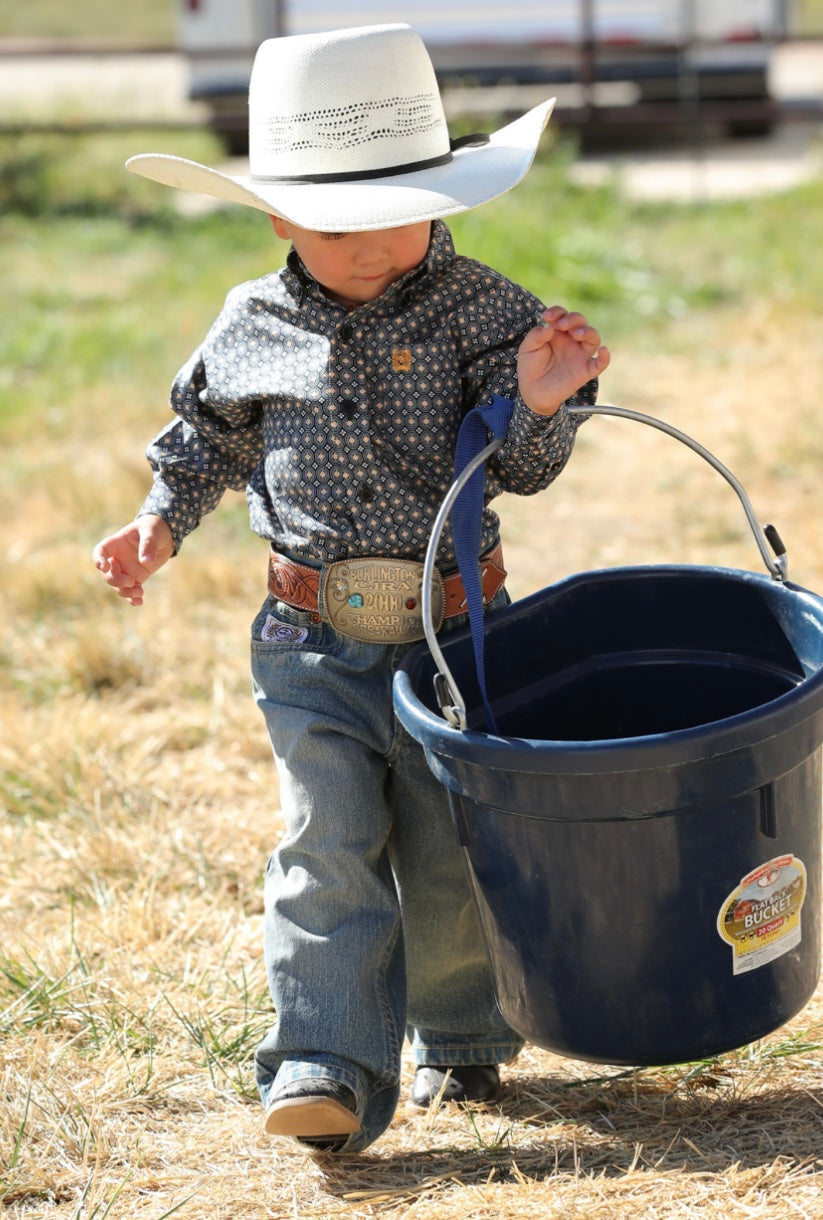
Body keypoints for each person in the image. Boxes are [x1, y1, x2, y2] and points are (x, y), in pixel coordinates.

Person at [93, 23, 610, 1155]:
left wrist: (540, 396)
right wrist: (157, 524)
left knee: (446, 844)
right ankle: (323, 1058)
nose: (375, 244)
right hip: (308, 632)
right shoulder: (250, 324)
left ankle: (464, 1040)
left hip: (457, 631)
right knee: (326, 835)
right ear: (276, 215)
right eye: (337, 224)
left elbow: (518, 466)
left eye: (401, 212)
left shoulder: (486, 311)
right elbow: (203, 442)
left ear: (444, 200)